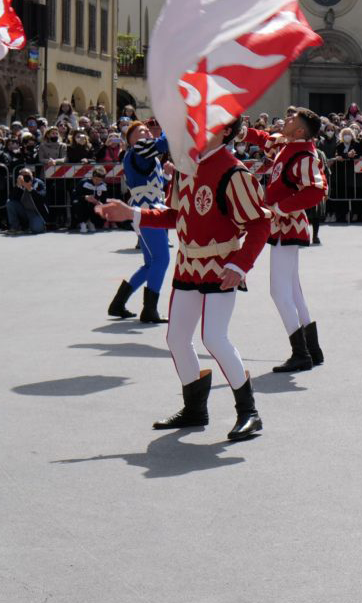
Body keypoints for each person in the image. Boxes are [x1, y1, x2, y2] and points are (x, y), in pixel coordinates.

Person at [93, 141, 273, 442]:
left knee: (214, 337)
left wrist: (241, 266)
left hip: (221, 266)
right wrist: (132, 213)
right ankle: (194, 408)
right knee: (176, 338)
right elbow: (175, 216)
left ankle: (249, 412)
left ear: (224, 129)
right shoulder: (185, 165)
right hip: (188, 265)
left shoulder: (233, 172)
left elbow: (259, 223)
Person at [262, 108, 331, 374]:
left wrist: (281, 207)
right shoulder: (290, 145)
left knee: (279, 291)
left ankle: (300, 353)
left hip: (286, 225)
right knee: (292, 290)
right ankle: (312, 350)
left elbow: (317, 190)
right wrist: (242, 132)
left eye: (292, 120)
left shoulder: (304, 154)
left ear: (301, 130)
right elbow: (265, 140)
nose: (285, 120)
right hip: (284, 225)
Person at [105, 123, 171, 324]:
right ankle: (149, 310)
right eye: (141, 131)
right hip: (147, 211)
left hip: (147, 210)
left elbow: (155, 184)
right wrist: (172, 119)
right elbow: (166, 142)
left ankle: (118, 303)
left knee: (151, 263)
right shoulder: (140, 149)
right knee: (161, 260)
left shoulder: (145, 155)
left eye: (148, 131)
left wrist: (168, 173)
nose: (147, 133)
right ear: (130, 140)